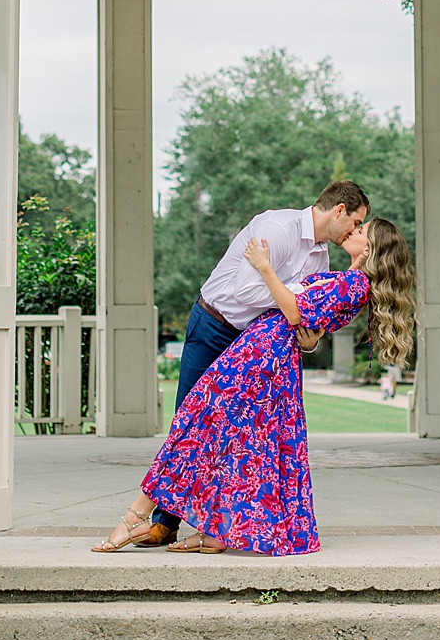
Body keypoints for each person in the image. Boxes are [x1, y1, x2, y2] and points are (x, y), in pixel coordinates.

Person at [91, 217, 416, 555]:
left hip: (262, 358)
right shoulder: (348, 277)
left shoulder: (354, 284)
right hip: (263, 354)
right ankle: (214, 532)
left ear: (371, 248)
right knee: (240, 444)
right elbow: (307, 318)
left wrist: (264, 267)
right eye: (356, 224)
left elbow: (294, 311)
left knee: (194, 424)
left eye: (361, 231)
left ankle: (136, 518)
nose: (354, 230)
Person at [131, 181, 370, 549]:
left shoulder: (321, 258)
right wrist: (294, 299)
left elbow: (306, 319)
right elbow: (247, 292)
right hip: (215, 324)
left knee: (238, 437)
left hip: (254, 344)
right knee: (190, 419)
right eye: (355, 222)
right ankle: (165, 522)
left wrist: (309, 333)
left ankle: (212, 529)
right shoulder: (279, 229)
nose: (354, 231)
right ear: (338, 210)